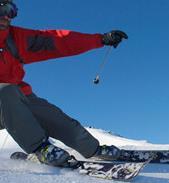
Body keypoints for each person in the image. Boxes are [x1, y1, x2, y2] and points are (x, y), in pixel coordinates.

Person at [0, 0, 128, 166]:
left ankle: (92, 150)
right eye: (1, 10)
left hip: (15, 97)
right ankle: (41, 149)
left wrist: (100, 39)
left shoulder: (15, 39)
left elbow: (58, 41)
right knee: (5, 91)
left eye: (11, 11)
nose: (6, 16)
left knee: (52, 115)